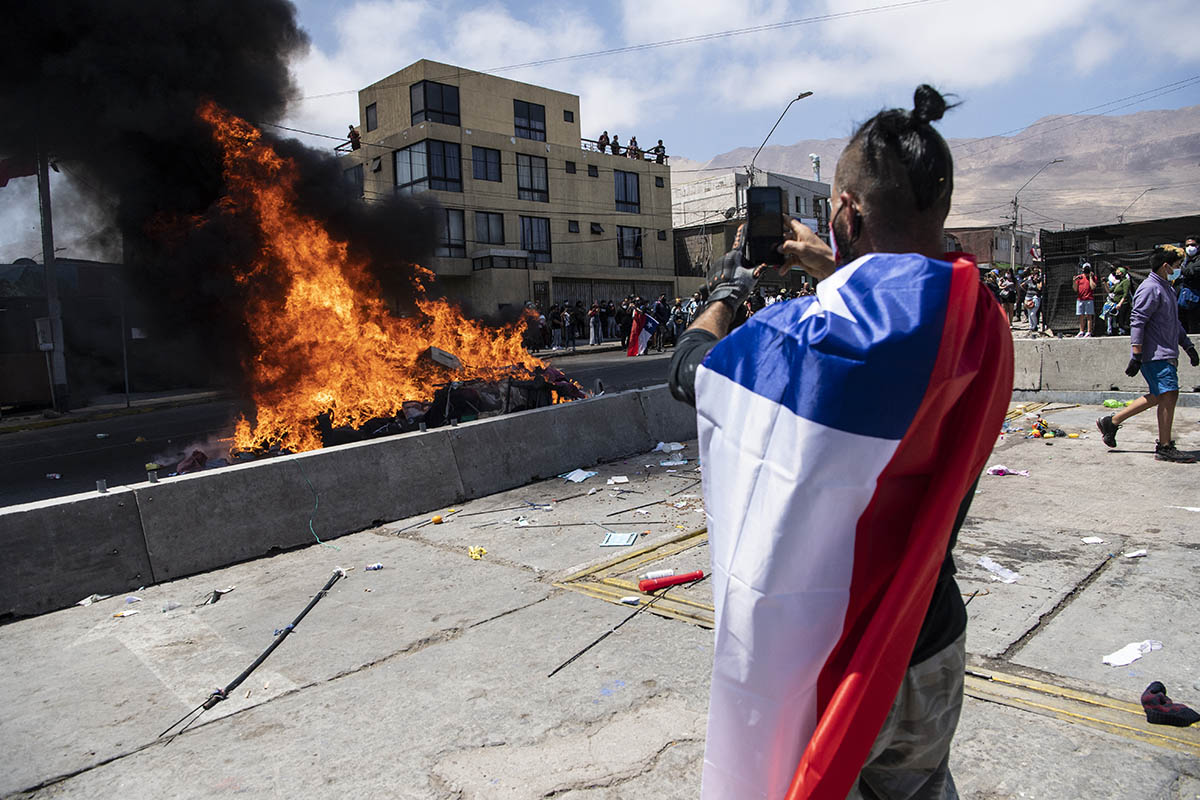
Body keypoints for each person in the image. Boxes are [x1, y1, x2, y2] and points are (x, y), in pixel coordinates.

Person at [667, 85, 1012, 799]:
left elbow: (693, 372)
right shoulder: (977, 317)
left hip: (844, 657)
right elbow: (899, 301)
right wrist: (833, 264)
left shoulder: (815, 339)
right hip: (932, 639)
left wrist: (731, 290)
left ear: (847, 210)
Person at [1096, 245, 1199, 463]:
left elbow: (1174, 323)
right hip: (1154, 354)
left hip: (1166, 352)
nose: (1179, 269)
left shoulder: (1168, 289)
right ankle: (1164, 446)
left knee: (1161, 395)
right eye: (1177, 265)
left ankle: (1111, 422)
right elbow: (1138, 320)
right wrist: (1136, 354)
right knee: (1169, 394)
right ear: (1165, 266)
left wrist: (1188, 346)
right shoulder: (1150, 288)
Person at [1181, 235, 1200, 334]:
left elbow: (1191, 271)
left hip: (1197, 296)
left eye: (1193, 245)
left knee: (1195, 323)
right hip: (1187, 297)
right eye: (1187, 245)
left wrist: (1180, 268)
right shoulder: (1185, 260)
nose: (1190, 247)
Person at [1074, 263, 1098, 337]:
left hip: (1089, 299)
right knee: (1081, 315)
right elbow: (1075, 289)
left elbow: (1093, 287)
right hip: (1080, 299)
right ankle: (1081, 331)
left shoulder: (1094, 277)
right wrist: (1074, 281)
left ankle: (1089, 331)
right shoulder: (1080, 277)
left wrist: (1090, 277)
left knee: (1089, 315)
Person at [1022, 265, 1045, 334]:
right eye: (1034, 275)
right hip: (1028, 297)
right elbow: (1022, 285)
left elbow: (1039, 288)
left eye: (1036, 275)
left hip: (1036, 298)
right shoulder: (1029, 280)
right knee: (1029, 313)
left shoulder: (1040, 280)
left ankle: (1035, 326)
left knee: (1033, 313)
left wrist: (1037, 281)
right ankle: (1031, 326)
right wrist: (1026, 291)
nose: (1035, 276)